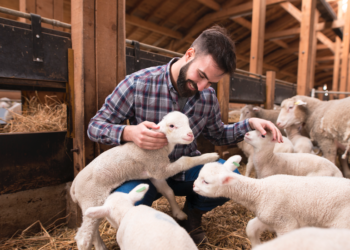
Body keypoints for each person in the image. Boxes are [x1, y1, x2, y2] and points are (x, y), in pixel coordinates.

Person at [87, 25, 282, 244]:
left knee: (230, 176)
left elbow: (218, 134)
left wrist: (248, 123)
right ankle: (145, 235)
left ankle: (192, 215)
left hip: (185, 170)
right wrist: (128, 132)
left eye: (211, 82)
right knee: (124, 204)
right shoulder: (139, 83)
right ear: (189, 54)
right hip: (145, 172)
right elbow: (95, 126)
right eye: (201, 76)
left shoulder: (207, 96)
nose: (201, 87)